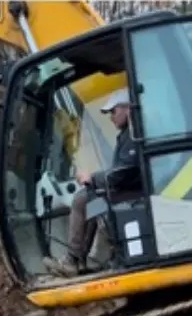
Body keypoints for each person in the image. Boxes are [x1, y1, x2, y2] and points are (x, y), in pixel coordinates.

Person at [44, 88, 137, 278]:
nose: (111, 117)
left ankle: (73, 259)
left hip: (131, 191)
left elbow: (124, 172)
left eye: (113, 111)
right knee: (93, 202)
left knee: (80, 201)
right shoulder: (127, 134)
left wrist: (92, 178)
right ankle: (78, 260)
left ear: (127, 108)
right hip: (125, 188)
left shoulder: (133, 136)